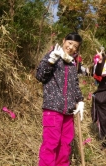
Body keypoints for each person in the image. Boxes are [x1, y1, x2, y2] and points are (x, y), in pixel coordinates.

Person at [36, 32, 85, 166]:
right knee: (51, 143)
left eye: (75, 46)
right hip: (53, 109)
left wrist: (80, 101)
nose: (71, 47)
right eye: (69, 43)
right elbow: (40, 76)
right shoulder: (52, 56)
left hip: (68, 111)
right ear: (64, 41)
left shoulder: (72, 64)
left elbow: (75, 85)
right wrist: (51, 61)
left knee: (65, 145)